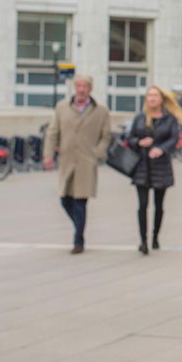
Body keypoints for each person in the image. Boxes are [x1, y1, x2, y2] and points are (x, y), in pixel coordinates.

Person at [42, 74, 111, 254]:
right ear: (74, 87)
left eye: (85, 86)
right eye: (78, 86)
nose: (81, 89)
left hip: (87, 161)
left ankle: (78, 239)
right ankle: (79, 227)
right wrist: (48, 154)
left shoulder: (101, 111)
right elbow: (52, 133)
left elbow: (105, 136)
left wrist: (97, 153)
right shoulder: (62, 108)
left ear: (90, 89)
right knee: (65, 199)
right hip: (67, 159)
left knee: (80, 201)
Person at [127, 86, 182, 255]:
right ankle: (143, 241)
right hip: (142, 166)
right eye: (149, 96)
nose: (151, 99)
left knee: (159, 205)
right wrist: (139, 142)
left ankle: (155, 237)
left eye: (155, 96)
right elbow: (130, 138)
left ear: (161, 99)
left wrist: (161, 149)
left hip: (161, 165)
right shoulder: (140, 118)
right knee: (142, 205)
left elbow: (174, 138)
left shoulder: (169, 119)